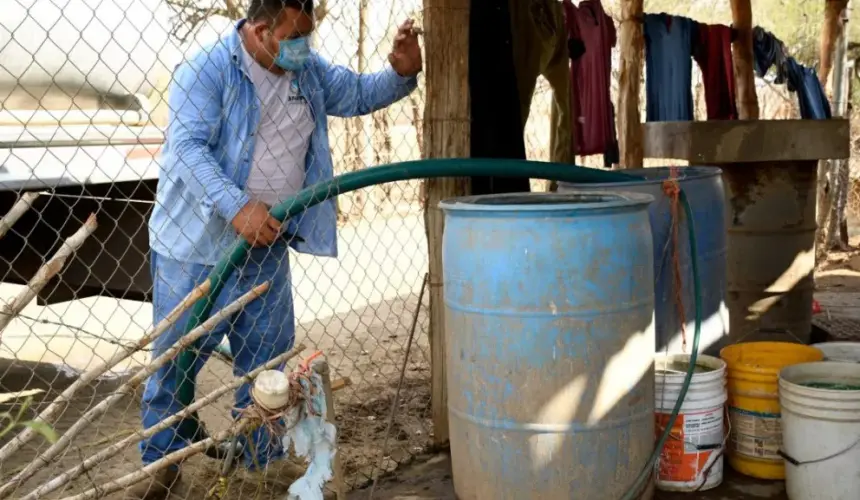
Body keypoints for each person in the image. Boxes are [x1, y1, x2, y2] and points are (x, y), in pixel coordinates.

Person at [136, 0, 422, 496]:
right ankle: (162, 470)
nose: (305, 46)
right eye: (296, 36)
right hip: (197, 249)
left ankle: (256, 471)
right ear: (262, 29)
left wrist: (399, 75)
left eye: (307, 34)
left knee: (266, 369)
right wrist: (237, 206)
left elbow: (355, 93)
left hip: (268, 243)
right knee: (174, 363)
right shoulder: (206, 70)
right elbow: (186, 149)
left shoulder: (305, 70)